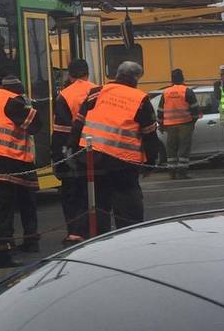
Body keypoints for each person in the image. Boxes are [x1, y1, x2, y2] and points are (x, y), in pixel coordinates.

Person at [69, 61, 160, 233]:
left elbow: (78, 125)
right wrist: (151, 162)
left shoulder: (96, 93)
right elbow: (149, 135)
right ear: (136, 78)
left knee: (98, 203)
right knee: (127, 206)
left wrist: (74, 151)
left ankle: (99, 239)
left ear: (117, 74)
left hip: (92, 157)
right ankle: (127, 238)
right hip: (122, 162)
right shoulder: (140, 99)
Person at [0, 68, 41, 268]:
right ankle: (3, 257)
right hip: (3, 162)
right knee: (3, 211)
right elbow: (36, 124)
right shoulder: (13, 101)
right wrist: (29, 105)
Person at [51, 59, 97, 246]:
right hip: (99, 151)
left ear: (69, 75)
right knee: (95, 193)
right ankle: (97, 231)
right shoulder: (99, 90)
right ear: (88, 73)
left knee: (72, 194)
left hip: (74, 151)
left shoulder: (65, 95)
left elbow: (60, 131)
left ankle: (75, 233)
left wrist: (57, 159)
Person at [157, 68, 201, 179]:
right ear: (182, 78)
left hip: (170, 125)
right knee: (184, 148)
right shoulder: (187, 91)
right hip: (185, 124)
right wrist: (193, 121)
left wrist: (161, 124)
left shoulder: (166, 92)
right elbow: (195, 109)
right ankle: (182, 172)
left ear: (172, 80)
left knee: (171, 148)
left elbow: (160, 110)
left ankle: (171, 172)